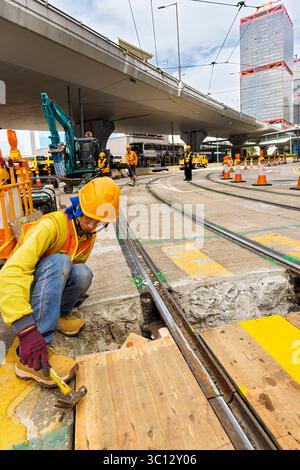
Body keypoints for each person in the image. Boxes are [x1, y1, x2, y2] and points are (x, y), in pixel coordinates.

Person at [0, 177, 120, 386]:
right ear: (79, 207)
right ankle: (33, 357)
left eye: (98, 222)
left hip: (46, 287)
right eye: (89, 218)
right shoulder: (51, 226)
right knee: (60, 261)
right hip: (21, 293)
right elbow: (11, 272)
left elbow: (74, 270)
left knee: (83, 273)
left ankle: (60, 315)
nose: (92, 225)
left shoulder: (86, 234)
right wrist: (25, 328)